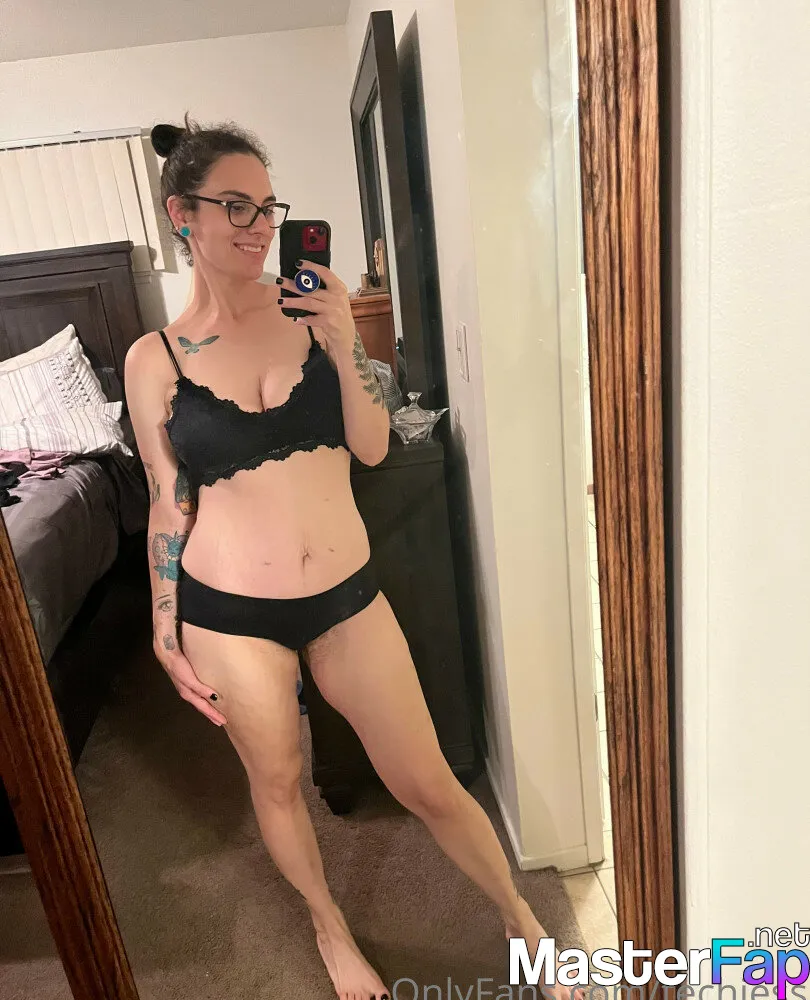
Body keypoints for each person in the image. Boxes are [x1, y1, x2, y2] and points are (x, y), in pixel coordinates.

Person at [124, 115, 579, 1000]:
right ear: (184, 214)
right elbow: (167, 494)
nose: (259, 227)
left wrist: (341, 338)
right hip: (226, 612)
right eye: (235, 206)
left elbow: (371, 447)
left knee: (427, 779)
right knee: (278, 779)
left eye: (268, 207)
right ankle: (330, 931)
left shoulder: (312, 310)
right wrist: (162, 622)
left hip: (344, 597)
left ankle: (524, 925)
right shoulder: (156, 358)